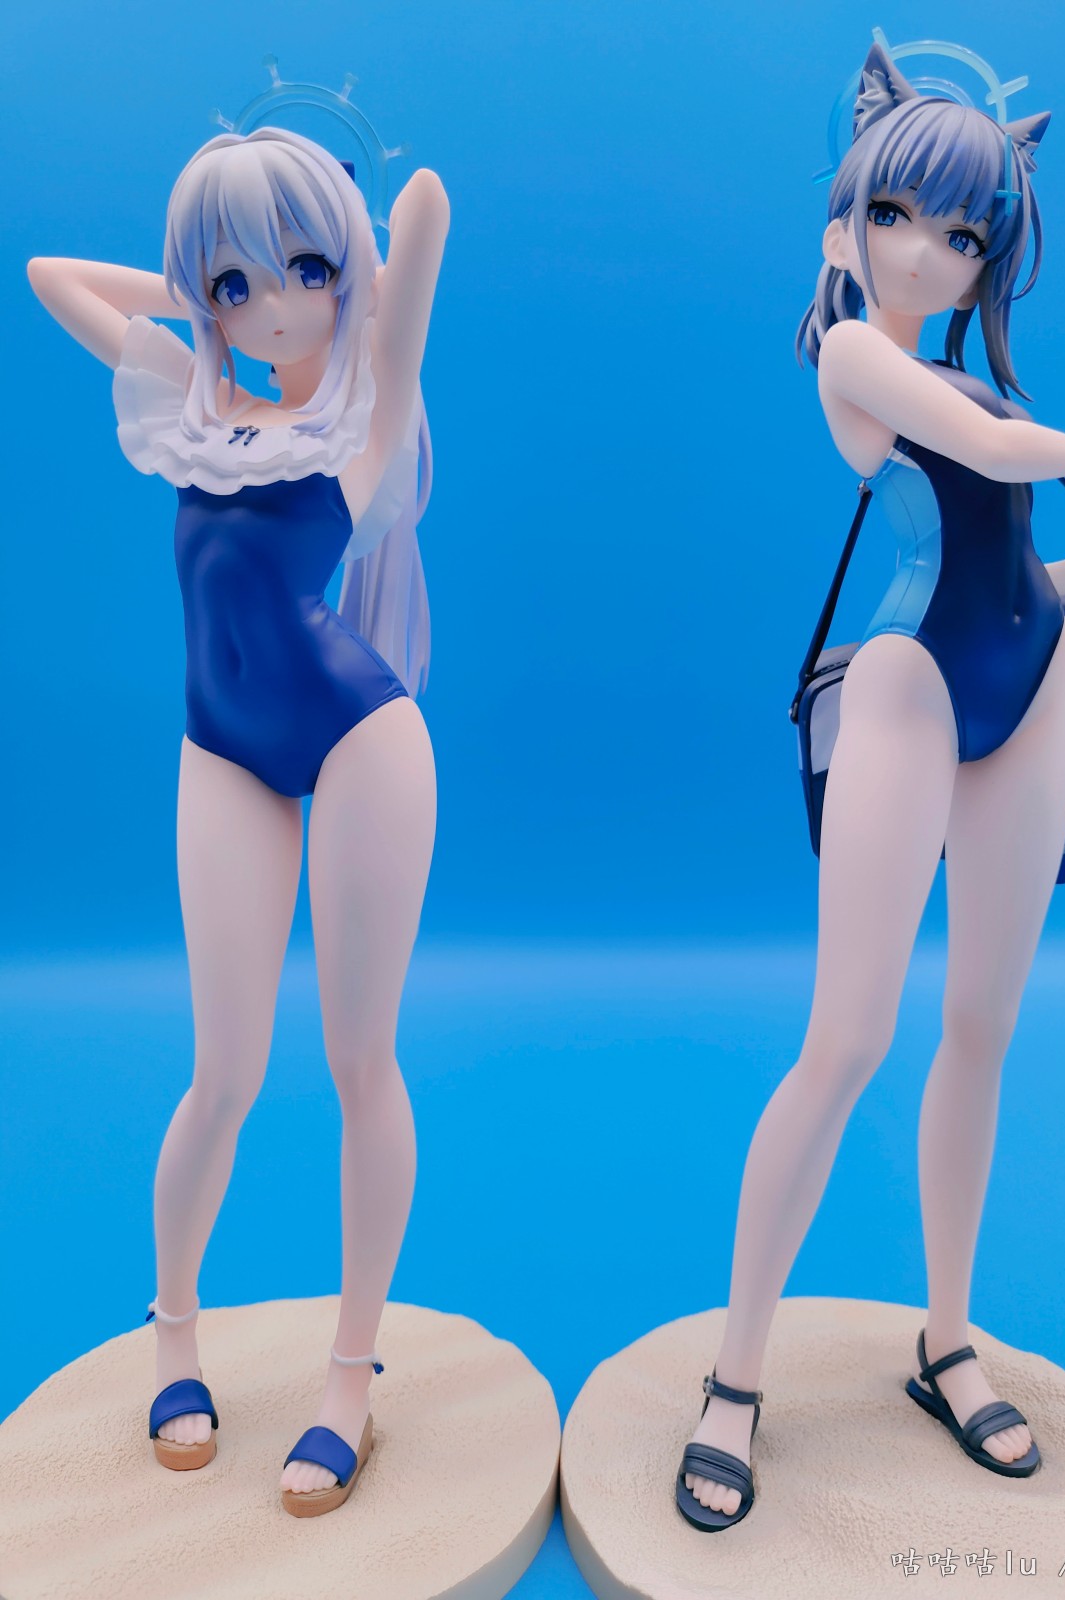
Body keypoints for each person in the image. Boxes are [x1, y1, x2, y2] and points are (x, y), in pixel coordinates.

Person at [675, 41, 1065, 1531]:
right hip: (908, 689)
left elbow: (1011, 567)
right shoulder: (856, 361)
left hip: (1032, 690)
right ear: (849, 218)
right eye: (897, 216)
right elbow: (985, 456)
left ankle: (948, 1339)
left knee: (982, 1032)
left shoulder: (977, 374)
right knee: (847, 1039)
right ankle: (734, 1376)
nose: (930, 252)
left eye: (963, 230)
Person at [28, 125, 450, 1516]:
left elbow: (423, 216)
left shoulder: (368, 420)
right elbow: (47, 277)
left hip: (361, 736)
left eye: (302, 272)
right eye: (234, 286)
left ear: (348, 278)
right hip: (221, 752)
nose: (271, 308)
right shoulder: (188, 409)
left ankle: (349, 1378)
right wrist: (193, 284)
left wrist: (338, 248)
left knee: (359, 1062)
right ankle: (174, 1338)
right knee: (223, 1071)